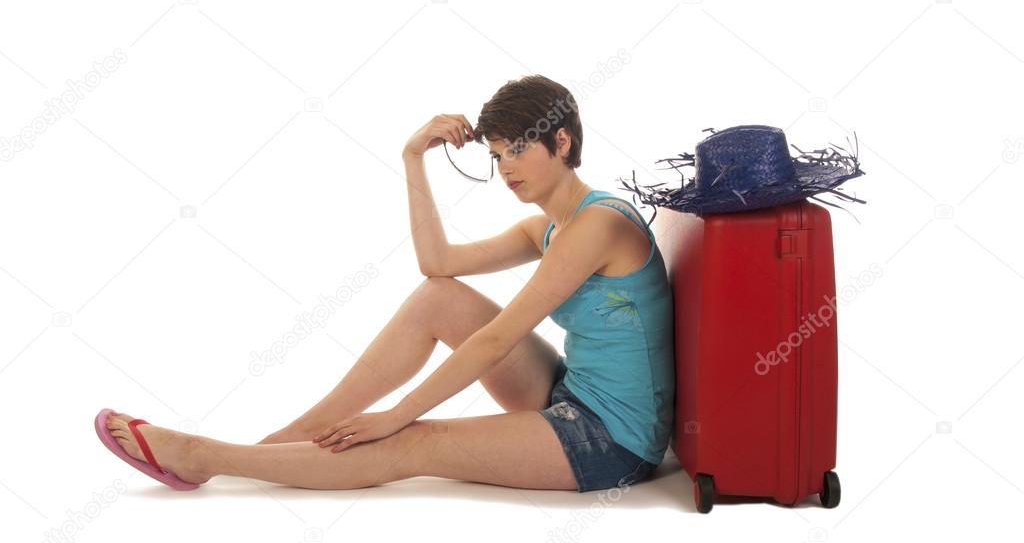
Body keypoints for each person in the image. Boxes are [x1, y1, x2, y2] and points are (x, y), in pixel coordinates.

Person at [98, 75, 674, 493]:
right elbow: (437, 264)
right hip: (572, 393)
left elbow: (496, 340)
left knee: (410, 442)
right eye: (499, 155)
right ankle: (299, 434)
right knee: (440, 298)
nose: (508, 168)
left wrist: (397, 415)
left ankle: (202, 457)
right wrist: (411, 157)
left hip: (613, 441)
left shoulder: (600, 222)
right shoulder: (546, 227)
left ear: (563, 142)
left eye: (519, 149)